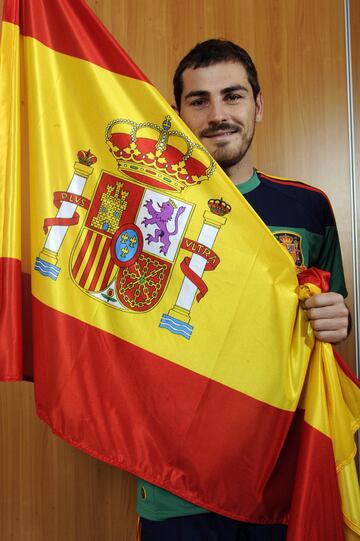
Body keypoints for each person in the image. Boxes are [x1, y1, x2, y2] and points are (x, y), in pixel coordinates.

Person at [136, 39, 350, 541]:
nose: (218, 115)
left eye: (232, 96)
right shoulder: (151, 209)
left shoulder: (308, 208)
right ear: (177, 114)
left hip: (279, 477)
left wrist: (337, 320)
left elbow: (330, 323)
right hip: (176, 486)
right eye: (199, 101)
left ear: (258, 104)